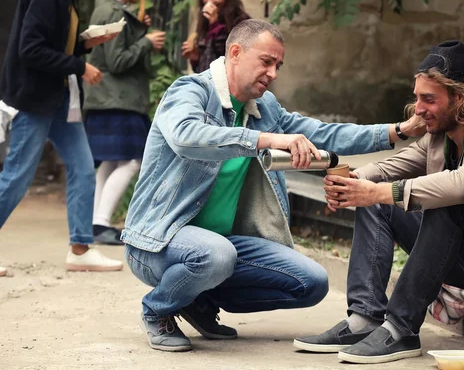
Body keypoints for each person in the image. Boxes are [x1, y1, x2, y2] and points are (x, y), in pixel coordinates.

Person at [122, 19, 423, 352]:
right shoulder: (190, 91)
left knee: (311, 282)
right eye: (266, 62)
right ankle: (157, 309)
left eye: (278, 65)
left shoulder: (264, 108)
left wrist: (399, 131)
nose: (274, 73)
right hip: (159, 240)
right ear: (235, 52)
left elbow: (322, 133)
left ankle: (197, 301)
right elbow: (186, 136)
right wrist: (265, 139)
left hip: (221, 244)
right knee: (217, 255)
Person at [293, 40, 464, 364]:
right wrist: (352, 183)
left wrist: (379, 191)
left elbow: (462, 185)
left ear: (460, 97)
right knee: (377, 195)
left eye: (428, 99)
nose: (418, 109)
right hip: (463, 261)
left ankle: (400, 329)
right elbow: (394, 166)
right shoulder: (442, 132)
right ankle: (364, 319)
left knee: (448, 200)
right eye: (416, 98)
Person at [0, 0, 123, 273]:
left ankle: (80, 249)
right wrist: (80, 66)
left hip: (57, 97)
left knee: (83, 168)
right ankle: (80, 248)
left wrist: (87, 42)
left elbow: (55, 43)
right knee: (17, 176)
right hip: (35, 98)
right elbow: (31, 49)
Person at [84, 0, 166, 245]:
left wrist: (137, 30)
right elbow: (117, 61)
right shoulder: (114, 14)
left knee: (111, 161)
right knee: (133, 160)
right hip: (117, 98)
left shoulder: (109, 9)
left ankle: (95, 222)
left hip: (109, 98)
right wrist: (146, 41)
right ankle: (101, 222)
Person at [181, 0, 250, 73]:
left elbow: (227, 54)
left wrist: (215, 24)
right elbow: (204, 67)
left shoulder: (240, 20)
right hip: (208, 83)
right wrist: (195, 58)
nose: (209, 1)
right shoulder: (204, 22)